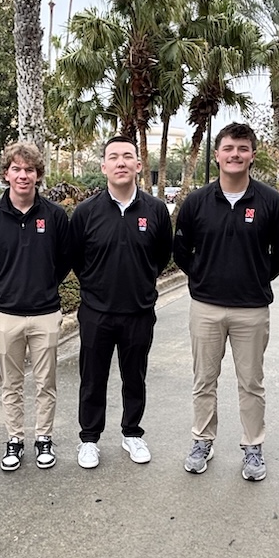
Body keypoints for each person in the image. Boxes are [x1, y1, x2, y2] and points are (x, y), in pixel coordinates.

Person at [173, 122, 279, 482]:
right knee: (203, 380)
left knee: (251, 383)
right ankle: (202, 441)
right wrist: (204, 278)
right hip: (206, 308)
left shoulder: (270, 202)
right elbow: (181, 250)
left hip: (252, 310)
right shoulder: (196, 202)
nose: (235, 154)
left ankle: (252, 446)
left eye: (242, 148)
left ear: (252, 155)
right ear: (217, 155)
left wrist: (253, 279)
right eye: (228, 148)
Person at [70, 136, 173, 469]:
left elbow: (161, 256)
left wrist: (139, 283)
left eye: (128, 156)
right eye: (113, 157)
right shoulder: (86, 212)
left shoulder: (155, 210)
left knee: (135, 376)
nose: (121, 162)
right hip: (96, 312)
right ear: (103, 166)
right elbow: (75, 257)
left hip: (139, 312)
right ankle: (89, 439)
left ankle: (132, 433)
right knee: (93, 378)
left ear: (139, 165)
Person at [0, 142, 71, 471]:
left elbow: (64, 260)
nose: (23, 175)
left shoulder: (55, 216)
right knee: (11, 384)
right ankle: (15, 439)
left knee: (46, 383)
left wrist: (44, 285)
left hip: (45, 313)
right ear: (6, 173)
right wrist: (4, 286)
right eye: (16, 169)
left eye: (29, 169)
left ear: (38, 175)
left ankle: (44, 438)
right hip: (6, 314)